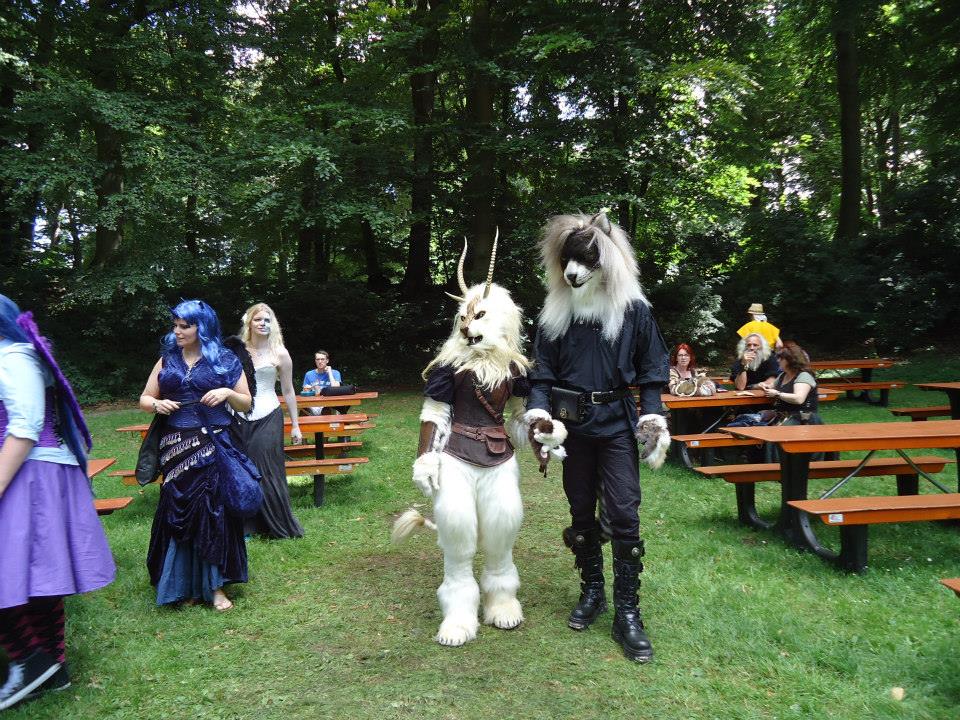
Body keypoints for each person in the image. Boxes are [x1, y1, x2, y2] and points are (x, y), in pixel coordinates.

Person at [525, 211, 670, 663]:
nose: (574, 271)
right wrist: (539, 415)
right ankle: (593, 591)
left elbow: (652, 370)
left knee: (624, 511)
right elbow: (541, 374)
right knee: (580, 508)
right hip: (572, 426)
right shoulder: (556, 313)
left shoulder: (634, 311)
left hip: (617, 424)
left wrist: (652, 416)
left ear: (606, 262)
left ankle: (628, 612)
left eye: (585, 261)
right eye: (568, 261)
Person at [0, 295, 115, 710]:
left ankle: (32, 660)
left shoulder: (11, 356)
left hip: (30, 472)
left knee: (22, 574)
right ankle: (52, 668)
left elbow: (25, 427)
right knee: (36, 576)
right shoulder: (18, 354)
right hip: (38, 472)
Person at [139, 300, 252, 611]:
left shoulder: (225, 359)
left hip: (213, 445)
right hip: (174, 448)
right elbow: (145, 398)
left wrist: (228, 393)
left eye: (184, 326)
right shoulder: (167, 358)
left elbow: (246, 402)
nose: (177, 331)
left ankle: (215, 587)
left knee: (212, 511)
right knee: (177, 511)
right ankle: (181, 585)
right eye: (175, 325)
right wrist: (157, 404)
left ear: (202, 328)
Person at [230, 303, 304, 540]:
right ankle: (246, 526)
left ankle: (277, 524)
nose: (263, 324)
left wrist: (296, 425)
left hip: (269, 415)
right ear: (249, 323)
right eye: (258, 319)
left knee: (267, 469)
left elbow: (288, 390)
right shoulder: (237, 351)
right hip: (238, 417)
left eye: (267, 320)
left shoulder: (280, 353)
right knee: (242, 470)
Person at [761, 341, 823, 426]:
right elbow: (772, 387)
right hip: (784, 416)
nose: (778, 361)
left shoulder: (803, 376)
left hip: (803, 419)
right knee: (755, 419)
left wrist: (777, 394)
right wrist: (764, 386)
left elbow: (799, 399)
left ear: (790, 360)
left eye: (781, 358)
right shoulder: (783, 375)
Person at [301, 350, 342, 416]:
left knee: (327, 409)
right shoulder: (309, 374)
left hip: (329, 404)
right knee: (303, 409)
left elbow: (336, 388)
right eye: (318, 359)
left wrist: (330, 373)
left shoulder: (335, 373)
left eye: (322, 359)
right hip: (313, 403)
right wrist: (307, 389)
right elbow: (304, 392)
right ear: (315, 361)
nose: (320, 362)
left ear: (327, 361)